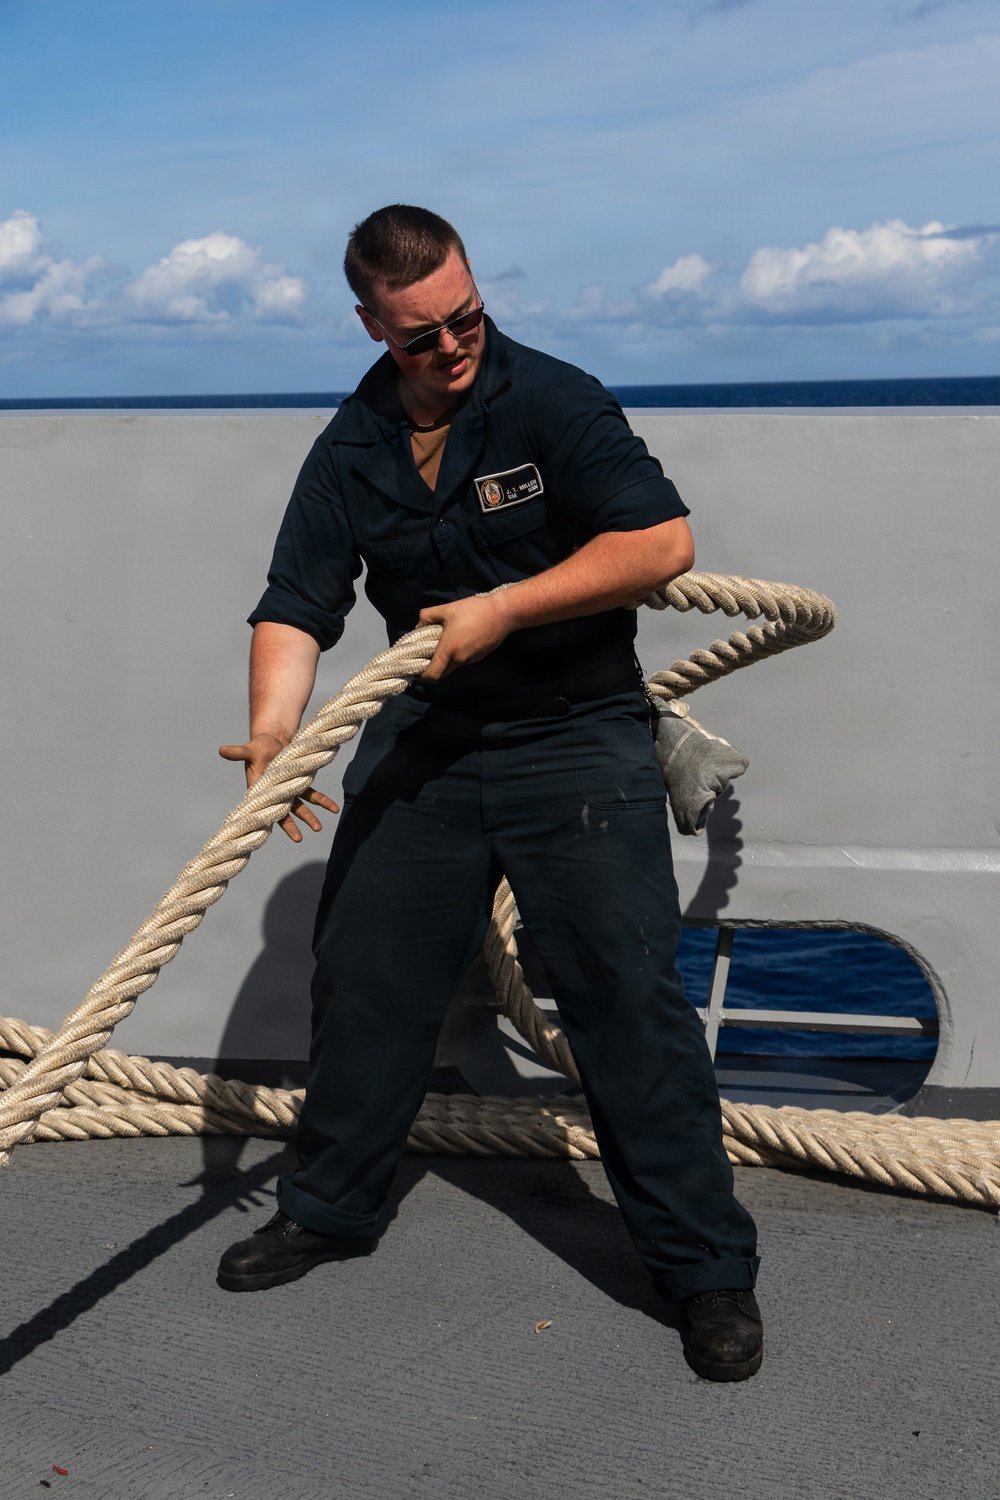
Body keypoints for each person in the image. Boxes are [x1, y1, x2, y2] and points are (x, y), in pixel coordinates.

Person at [216, 205, 763, 1382]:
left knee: (624, 996)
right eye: (421, 335)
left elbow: (659, 541)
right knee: (365, 976)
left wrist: (507, 605)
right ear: (370, 324)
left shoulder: (551, 399)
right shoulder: (352, 443)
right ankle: (328, 1209)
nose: (454, 345)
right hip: (427, 739)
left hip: (574, 734)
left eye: (466, 317)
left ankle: (705, 1268)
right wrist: (275, 727)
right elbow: (295, 600)